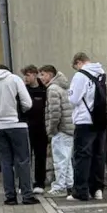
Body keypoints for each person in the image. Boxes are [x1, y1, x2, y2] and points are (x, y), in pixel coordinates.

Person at [0, 66, 36, 205]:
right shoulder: (15, 80)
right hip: (18, 125)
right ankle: (27, 195)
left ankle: (10, 197)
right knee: (23, 160)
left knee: (5, 162)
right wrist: (20, 110)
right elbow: (28, 103)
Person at [68, 53, 107, 202]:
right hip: (101, 119)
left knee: (82, 156)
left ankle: (80, 191)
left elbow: (74, 99)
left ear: (79, 62)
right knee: (99, 155)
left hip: (85, 120)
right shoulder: (102, 73)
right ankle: (97, 189)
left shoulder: (80, 76)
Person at [42, 65, 75, 198]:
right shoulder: (63, 87)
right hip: (68, 127)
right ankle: (69, 185)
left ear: (50, 75)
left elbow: (55, 112)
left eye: (43, 74)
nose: (41, 78)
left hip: (60, 129)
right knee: (66, 159)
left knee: (60, 159)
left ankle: (60, 186)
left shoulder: (52, 89)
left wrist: (51, 129)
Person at [21, 65, 49, 193]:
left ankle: (40, 183)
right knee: (25, 157)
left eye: (27, 75)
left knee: (40, 156)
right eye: (24, 75)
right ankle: (25, 184)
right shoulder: (23, 90)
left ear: (34, 74)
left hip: (40, 128)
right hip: (26, 127)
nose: (25, 78)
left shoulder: (44, 90)